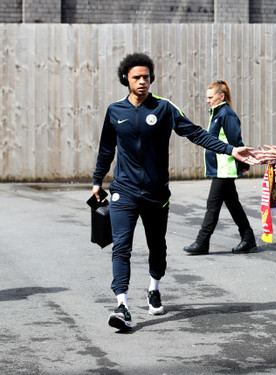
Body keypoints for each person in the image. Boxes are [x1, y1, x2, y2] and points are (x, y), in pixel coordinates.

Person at [91, 53, 253, 331]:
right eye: (136, 77)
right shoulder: (115, 111)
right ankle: (122, 305)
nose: (142, 82)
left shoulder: (164, 108)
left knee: (157, 246)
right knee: (121, 247)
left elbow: (195, 132)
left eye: (146, 77)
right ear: (125, 80)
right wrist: (97, 180)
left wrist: (230, 149)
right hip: (123, 191)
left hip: (156, 194)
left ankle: (154, 287)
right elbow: (107, 148)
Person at [183, 80, 256, 256]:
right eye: (207, 97)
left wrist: (243, 163)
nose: (208, 100)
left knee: (213, 204)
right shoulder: (217, 113)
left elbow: (235, 142)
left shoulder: (226, 114)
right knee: (232, 204)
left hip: (225, 167)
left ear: (221, 96)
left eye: (210, 97)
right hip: (220, 167)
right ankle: (248, 238)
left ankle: (202, 242)